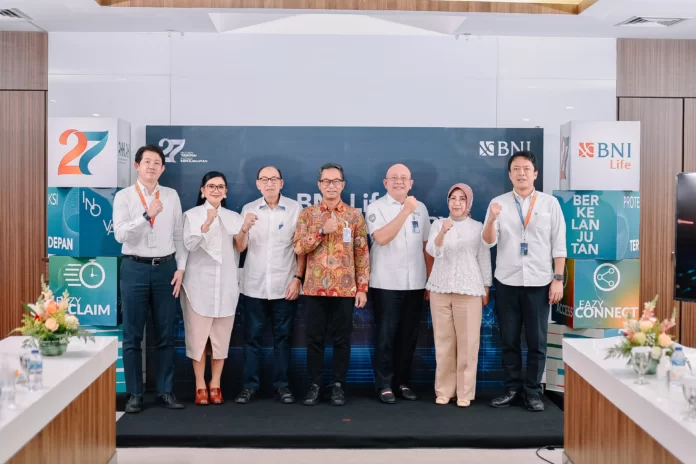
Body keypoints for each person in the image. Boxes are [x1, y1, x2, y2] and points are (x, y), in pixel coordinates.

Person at [482, 151, 566, 412]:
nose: (521, 173)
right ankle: (511, 389)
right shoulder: (498, 203)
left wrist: (558, 279)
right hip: (507, 282)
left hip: (540, 282)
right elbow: (488, 241)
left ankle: (533, 391)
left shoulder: (550, 204)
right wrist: (492, 218)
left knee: (537, 341)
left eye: (526, 169)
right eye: (516, 169)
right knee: (509, 340)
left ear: (535, 174)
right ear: (510, 175)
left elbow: (559, 244)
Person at [113, 144, 188, 413]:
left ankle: (165, 391)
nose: (152, 166)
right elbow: (120, 235)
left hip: (166, 269)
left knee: (165, 334)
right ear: (136, 166)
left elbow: (178, 234)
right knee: (132, 335)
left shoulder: (171, 195)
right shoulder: (124, 197)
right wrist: (147, 216)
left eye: (157, 162)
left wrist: (180, 268)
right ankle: (134, 394)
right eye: (147, 162)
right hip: (134, 267)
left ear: (163, 168)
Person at [293, 163, 370, 406]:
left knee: (342, 340)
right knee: (314, 340)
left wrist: (362, 287)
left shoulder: (354, 216)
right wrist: (321, 231)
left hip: (345, 289)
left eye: (336, 181)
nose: (331, 186)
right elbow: (299, 247)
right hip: (314, 288)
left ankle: (338, 385)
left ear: (343, 185)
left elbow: (362, 253)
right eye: (326, 181)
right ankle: (315, 385)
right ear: (319, 185)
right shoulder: (308, 215)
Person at [234, 166, 306, 405]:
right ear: (257, 184)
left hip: (284, 286)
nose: (269, 183)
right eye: (264, 179)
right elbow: (240, 247)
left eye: (274, 179)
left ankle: (282, 386)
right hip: (254, 285)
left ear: (281, 183)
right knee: (251, 339)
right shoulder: (249, 209)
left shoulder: (295, 209)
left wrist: (297, 279)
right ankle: (250, 386)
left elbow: (301, 249)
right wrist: (244, 228)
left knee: (283, 339)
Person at [365, 164, 433, 404]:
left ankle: (403, 382)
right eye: (394, 178)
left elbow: (426, 246)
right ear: (385, 183)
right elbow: (382, 238)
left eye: (404, 178)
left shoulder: (420, 208)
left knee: (408, 336)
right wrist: (405, 211)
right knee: (386, 336)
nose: (399, 181)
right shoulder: (376, 207)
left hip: (415, 282)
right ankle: (384, 384)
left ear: (411, 183)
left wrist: (429, 281)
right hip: (386, 282)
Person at [426, 184, 491, 407]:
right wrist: (443, 232)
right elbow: (433, 251)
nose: (457, 203)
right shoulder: (438, 224)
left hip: (469, 289)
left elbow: (483, 257)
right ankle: (444, 390)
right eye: (453, 198)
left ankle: (464, 392)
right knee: (443, 342)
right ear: (448, 201)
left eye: (462, 199)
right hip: (440, 289)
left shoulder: (478, 227)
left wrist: (486, 286)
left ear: (469, 203)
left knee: (468, 343)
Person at [181, 171, 243, 405]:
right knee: (198, 337)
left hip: (226, 285)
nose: (216, 190)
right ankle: (199, 384)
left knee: (221, 338)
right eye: (211, 186)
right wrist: (206, 224)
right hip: (198, 285)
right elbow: (189, 245)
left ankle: (215, 383)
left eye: (220, 186)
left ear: (225, 191)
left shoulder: (233, 217)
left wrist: (245, 228)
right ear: (202, 190)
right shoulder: (192, 215)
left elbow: (241, 247)